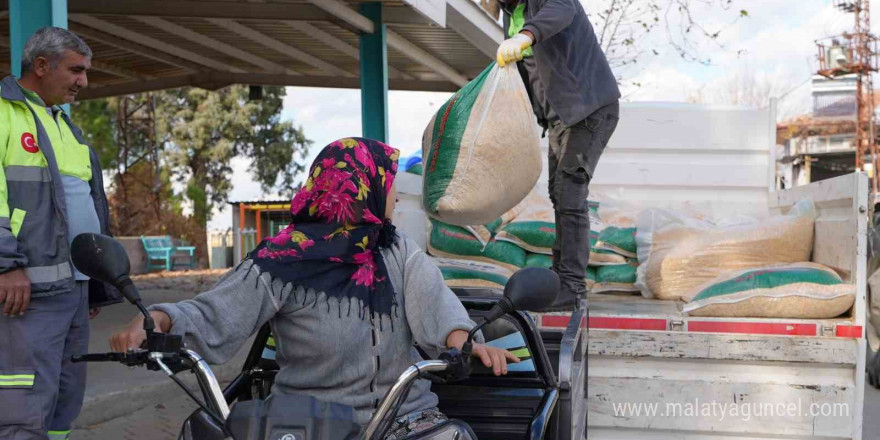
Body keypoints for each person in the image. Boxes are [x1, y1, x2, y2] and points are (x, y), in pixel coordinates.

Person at [110, 138, 518, 438]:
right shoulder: (281, 260)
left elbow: (436, 305)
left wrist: (464, 341)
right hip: (308, 425)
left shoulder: (398, 250)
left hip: (407, 421)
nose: (393, 195)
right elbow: (214, 312)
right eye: (389, 184)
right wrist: (159, 319)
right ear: (364, 189)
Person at [0, 27, 119, 440]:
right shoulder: (3, 114)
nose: (83, 81)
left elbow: (85, 205)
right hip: (26, 288)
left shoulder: (65, 126)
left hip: (72, 288)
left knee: (66, 398)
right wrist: (5, 266)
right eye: (76, 70)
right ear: (41, 65)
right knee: (24, 399)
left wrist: (92, 281)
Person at [496, 0, 622, 311]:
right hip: (559, 118)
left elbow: (561, 11)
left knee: (570, 193)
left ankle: (571, 287)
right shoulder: (511, 12)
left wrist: (526, 35)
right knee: (558, 194)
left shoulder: (545, 4)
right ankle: (560, 279)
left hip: (589, 110)